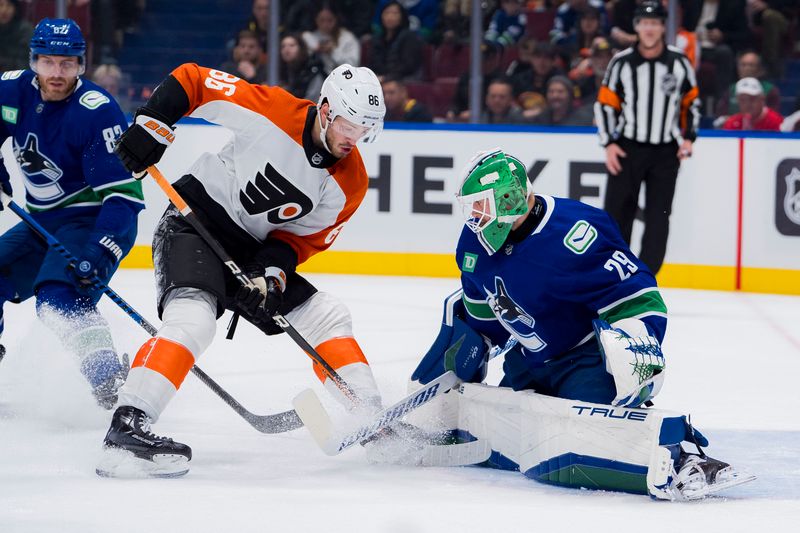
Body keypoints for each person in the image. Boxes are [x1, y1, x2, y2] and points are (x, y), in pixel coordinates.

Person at [407, 148, 753, 500]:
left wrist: (636, 341)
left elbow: (637, 295)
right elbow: (481, 318)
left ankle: (681, 458)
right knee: (502, 426)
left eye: (481, 205)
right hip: (529, 362)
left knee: (590, 437)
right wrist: (463, 357)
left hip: (583, 361)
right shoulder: (473, 245)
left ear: (509, 198)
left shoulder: (576, 231)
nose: (474, 218)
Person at [98, 62, 387, 477]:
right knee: (193, 320)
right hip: (192, 222)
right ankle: (128, 425)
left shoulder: (351, 182)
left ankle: (370, 419)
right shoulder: (273, 112)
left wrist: (268, 276)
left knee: (326, 316)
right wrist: (152, 124)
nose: (353, 138)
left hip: (250, 252)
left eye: (365, 130)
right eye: (348, 124)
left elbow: (296, 240)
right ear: (325, 109)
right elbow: (194, 80)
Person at [0, 19, 143, 406]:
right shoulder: (12, 90)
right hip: (41, 221)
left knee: (59, 297)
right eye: (47, 62)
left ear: (82, 63)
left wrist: (99, 249)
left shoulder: (96, 112)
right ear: (33, 62)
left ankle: (108, 379)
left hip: (94, 220)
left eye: (67, 64)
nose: (56, 73)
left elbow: (124, 197)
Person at [594, 1, 699, 276]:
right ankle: (615, 275)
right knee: (617, 214)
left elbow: (691, 102)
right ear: (636, 26)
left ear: (663, 27)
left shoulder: (678, 62)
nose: (649, 29)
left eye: (655, 23)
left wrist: (689, 139)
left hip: (665, 151)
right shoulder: (622, 63)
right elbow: (605, 104)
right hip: (628, 148)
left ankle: (644, 279)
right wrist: (609, 144)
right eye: (644, 23)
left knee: (659, 217)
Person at [368, 1, 424, 81]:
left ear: (402, 16)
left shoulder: (409, 37)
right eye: (387, 13)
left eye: (395, 13)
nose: (390, 17)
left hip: (404, 79)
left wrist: (387, 78)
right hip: (381, 78)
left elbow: (408, 66)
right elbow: (373, 63)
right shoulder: (377, 39)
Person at [302, 2, 361, 74]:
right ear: (316, 20)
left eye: (330, 20)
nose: (325, 25)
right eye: (322, 20)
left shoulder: (348, 38)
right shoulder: (309, 37)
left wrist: (332, 52)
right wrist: (315, 50)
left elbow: (353, 65)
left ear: (336, 19)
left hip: (342, 78)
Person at [278, 33, 327, 102]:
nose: (287, 49)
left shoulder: (312, 71)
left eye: (292, 45)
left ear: (301, 49)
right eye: (283, 46)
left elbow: (312, 103)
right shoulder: (279, 71)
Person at [0, 0, 34, 72]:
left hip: (18, 78)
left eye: (9, 5)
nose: (4, 10)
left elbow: (27, 63)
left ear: (15, 8)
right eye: (0, 5)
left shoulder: (25, 30)